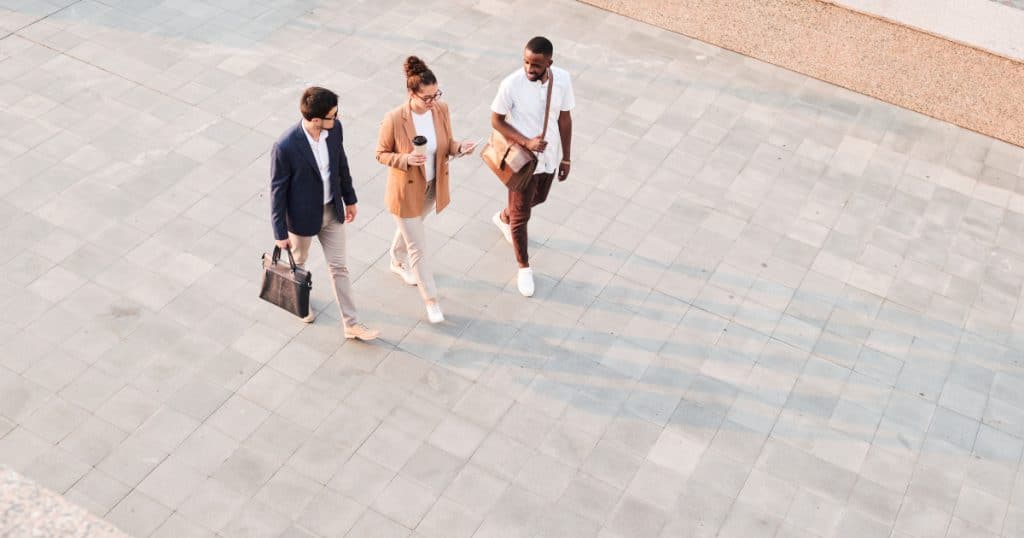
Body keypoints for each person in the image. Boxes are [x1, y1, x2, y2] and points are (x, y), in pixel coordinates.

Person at [269, 86, 379, 341]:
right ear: (316, 119)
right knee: (299, 263)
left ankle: (351, 324)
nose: (337, 118)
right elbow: (277, 191)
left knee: (339, 267)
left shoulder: (334, 130)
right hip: (302, 219)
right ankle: (300, 301)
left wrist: (349, 199)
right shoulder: (285, 146)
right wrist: (279, 232)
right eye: (333, 114)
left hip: (332, 211)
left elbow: (341, 163)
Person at [376, 56, 476, 323]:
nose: (432, 102)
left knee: (413, 229)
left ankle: (395, 260)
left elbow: (448, 143)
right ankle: (431, 300)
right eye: (427, 98)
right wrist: (405, 159)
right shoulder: (395, 118)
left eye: (435, 95)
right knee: (418, 248)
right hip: (406, 191)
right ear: (411, 93)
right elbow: (381, 154)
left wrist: (459, 148)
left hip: (432, 188)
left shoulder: (441, 110)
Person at [490, 36, 575, 297]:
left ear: (549, 62)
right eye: (526, 62)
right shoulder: (511, 84)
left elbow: (565, 118)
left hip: (549, 157)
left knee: (539, 198)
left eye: (536, 64)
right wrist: (526, 141)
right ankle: (523, 266)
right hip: (522, 162)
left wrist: (566, 158)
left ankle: (505, 216)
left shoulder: (562, 79)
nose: (529, 68)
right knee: (522, 218)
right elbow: (496, 120)